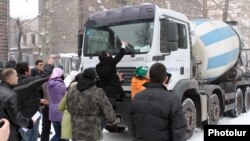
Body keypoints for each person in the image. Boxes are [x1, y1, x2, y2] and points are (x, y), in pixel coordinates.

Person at [128, 63, 187, 141]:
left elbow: (131, 126)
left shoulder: (136, 98)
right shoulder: (173, 100)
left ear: (149, 77)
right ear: (166, 79)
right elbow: (179, 131)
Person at [67, 68, 117, 141]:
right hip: (92, 131)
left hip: (76, 129)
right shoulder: (98, 92)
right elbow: (107, 109)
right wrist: (112, 121)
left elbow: (69, 107)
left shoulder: (72, 90)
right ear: (94, 78)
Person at [14, 58, 54, 141]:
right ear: (25, 71)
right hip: (30, 117)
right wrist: (49, 64)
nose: (30, 69)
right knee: (30, 138)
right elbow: (45, 76)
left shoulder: (13, 81)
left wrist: (39, 100)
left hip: (19, 116)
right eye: (28, 68)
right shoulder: (26, 81)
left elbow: (23, 97)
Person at [0, 68, 34, 141]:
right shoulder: (11, 95)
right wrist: (29, 123)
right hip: (8, 132)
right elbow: (17, 118)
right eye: (16, 76)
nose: (17, 78)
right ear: (9, 79)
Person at [96, 41, 127, 108]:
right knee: (111, 108)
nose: (110, 55)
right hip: (112, 91)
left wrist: (116, 76)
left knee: (104, 107)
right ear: (106, 56)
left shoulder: (98, 66)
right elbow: (119, 55)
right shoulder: (111, 63)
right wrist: (123, 45)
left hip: (103, 89)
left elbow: (107, 76)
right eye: (108, 54)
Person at [31, 60, 51, 141]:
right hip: (37, 100)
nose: (42, 66)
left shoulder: (41, 74)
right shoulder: (34, 74)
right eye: (40, 65)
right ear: (36, 66)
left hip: (41, 100)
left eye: (43, 65)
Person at [47, 67, 68, 141]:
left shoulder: (49, 83)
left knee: (58, 134)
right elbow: (66, 96)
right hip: (61, 111)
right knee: (64, 135)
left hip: (52, 110)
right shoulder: (61, 85)